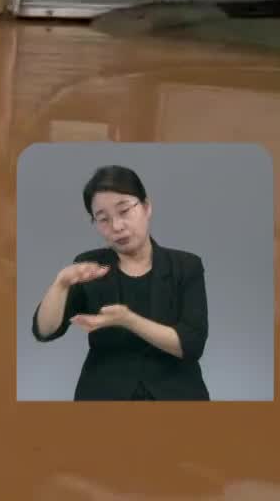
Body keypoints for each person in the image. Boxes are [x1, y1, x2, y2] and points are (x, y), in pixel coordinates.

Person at [30, 165, 211, 400]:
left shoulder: (186, 266)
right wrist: (60, 285)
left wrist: (128, 320)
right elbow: (44, 331)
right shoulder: (89, 266)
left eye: (124, 211)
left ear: (146, 207)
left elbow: (191, 345)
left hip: (176, 393)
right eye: (103, 219)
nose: (116, 226)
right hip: (105, 394)